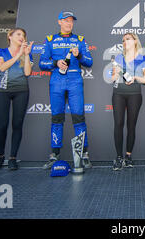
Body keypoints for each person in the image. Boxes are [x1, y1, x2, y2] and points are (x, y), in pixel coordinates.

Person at [39, 10, 93, 172]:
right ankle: (54, 154)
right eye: (66, 20)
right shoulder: (50, 40)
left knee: (78, 117)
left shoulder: (80, 40)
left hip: (75, 81)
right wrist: (56, 63)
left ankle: (83, 154)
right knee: (56, 118)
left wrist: (79, 56)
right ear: (59, 22)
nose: (69, 23)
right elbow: (42, 63)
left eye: (71, 21)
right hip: (57, 81)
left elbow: (89, 62)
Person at [0, 28, 33, 170]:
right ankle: (0, 156)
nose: (22, 37)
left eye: (24, 35)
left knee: (17, 124)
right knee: (2, 125)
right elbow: (2, 67)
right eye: (18, 34)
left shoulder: (26, 53)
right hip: (2, 91)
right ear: (10, 36)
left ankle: (12, 158)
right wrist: (18, 55)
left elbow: (28, 72)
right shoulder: (1, 51)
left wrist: (26, 55)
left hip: (21, 91)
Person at [111, 32, 145, 170]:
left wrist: (135, 78)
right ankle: (118, 157)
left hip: (135, 94)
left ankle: (128, 156)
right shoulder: (118, 58)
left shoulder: (143, 59)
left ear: (135, 41)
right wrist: (116, 73)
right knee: (118, 124)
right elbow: (113, 77)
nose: (125, 42)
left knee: (131, 125)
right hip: (118, 93)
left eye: (128, 39)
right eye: (123, 40)